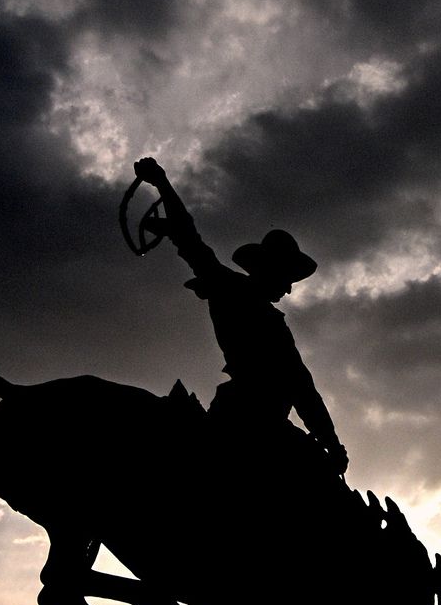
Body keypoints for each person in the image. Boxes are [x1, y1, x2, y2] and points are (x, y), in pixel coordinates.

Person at [133, 157, 348, 478]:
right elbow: (301, 386)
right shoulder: (236, 294)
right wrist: (162, 183)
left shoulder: (244, 300)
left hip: (245, 420)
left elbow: (301, 386)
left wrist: (330, 440)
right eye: (287, 277)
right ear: (270, 270)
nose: (289, 289)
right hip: (253, 428)